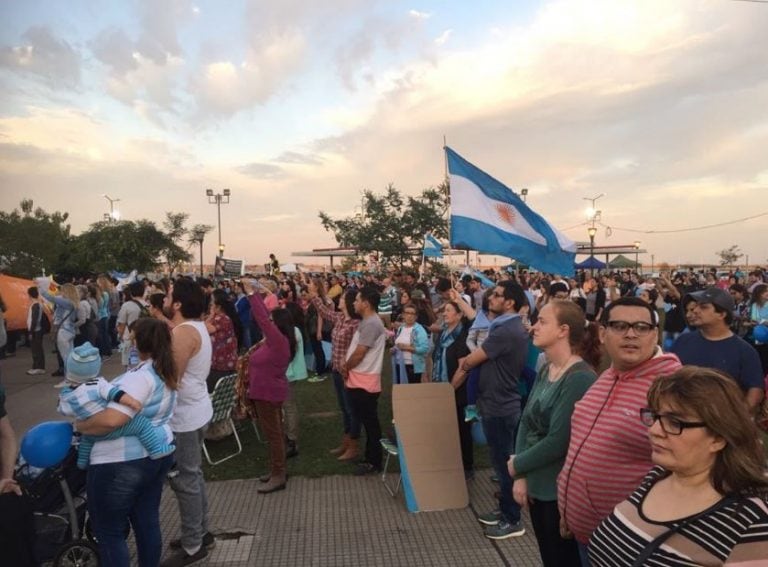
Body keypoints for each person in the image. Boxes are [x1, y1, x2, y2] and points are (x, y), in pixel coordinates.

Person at [589, 367, 768, 566]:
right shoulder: (658, 475)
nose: (654, 430)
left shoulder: (751, 524)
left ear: (718, 438)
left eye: (674, 422)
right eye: (655, 417)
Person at [558, 297, 682, 563]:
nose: (631, 334)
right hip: (587, 535)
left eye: (641, 327)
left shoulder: (672, 388)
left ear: (655, 334)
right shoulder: (606, 377)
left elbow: (692, 468)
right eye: (620, 326)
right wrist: (569, 508)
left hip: (632, 544)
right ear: (603, 334)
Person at [76, 318, 178, 567]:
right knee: (146, 521)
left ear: (139, 343)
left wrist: (80, 427)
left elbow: (112, 420)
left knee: (108, 531)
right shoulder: (163, 369)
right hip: (154, 455)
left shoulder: (140, 378)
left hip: (121, 462)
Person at [507, 301, 599, 567]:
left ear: (563, 330)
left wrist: (517, 464)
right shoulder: (547, 368)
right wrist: (521, 475)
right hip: (537, 485)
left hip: (559, 493)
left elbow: (558, 441)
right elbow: (526, 420)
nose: (534, 326)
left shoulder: (580, 379)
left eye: (543, 321)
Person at [452, 281, 530, 540]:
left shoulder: (505, 331)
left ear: (509, 302)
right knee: (500, 463)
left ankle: (512, 519)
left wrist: (465, 364)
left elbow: (473, 359)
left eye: (497, 295)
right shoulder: (502, 326)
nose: (490, 298)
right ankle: (505, 509)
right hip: (496, 402)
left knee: (504, 464)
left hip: (500, 406)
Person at [161, 278, 214, 567]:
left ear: (178, 303)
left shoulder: (183, 333)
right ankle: (201, 533)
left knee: (185, 479)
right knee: (193, 476)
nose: (165, 300)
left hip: (186, 417)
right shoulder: (195, 328)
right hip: (195, 410)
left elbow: (171, 378)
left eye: (169, 296)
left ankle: (194, 545)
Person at [57, 341, 174, 469]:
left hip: (91, 431)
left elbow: (63, 410)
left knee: (86, 440)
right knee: (141, 424)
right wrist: (132, 402)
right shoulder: (98, 385)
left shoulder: (66, 395)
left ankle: (82, 462)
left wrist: (79, 423)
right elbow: (116, 395)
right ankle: (156, 450)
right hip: (110, 430)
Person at [670, 287, 764, 413]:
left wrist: (736, 418)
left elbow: (755, 390)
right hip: (682, 418)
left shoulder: (745, 351)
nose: (695, 311)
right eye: (696, 306)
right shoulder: (683, 341)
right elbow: (669, 375)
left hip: (721, 425)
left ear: (722, 314)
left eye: (703, 307)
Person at [242, 279, 292, 493]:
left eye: (273, 321)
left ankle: (279, 475)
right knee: (275, 434)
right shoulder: (275, 341)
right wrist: (257, 295)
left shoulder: (278, 341)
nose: (269, 321)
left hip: (268, 393)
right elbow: (264, 315)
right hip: (265, 392)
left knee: (273, 435)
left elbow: (262, 319)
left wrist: (251, 294)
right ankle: (276, 470)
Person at [311, 287, 362, 461]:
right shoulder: (340, 318)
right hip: (336, 370)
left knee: (351, 408)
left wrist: (346, 366)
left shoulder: (356, 324)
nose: (340, 299)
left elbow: (358, 350)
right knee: (343, 407)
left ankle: (353, 444)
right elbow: (325, 313)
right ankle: (346, 440)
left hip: (348, 372)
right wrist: (314, 296)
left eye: (344, 298)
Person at [343, 286, 387, 475]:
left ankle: (374, 461)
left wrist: (346, 367)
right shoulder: (368, 321)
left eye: (357, 299)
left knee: (370, 423)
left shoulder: (371, 324)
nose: (354, 302)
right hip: (360, 379)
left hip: (364, 382)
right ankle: (370, 457)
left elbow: (360, 353)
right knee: (367, 420)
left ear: (366, 304)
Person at [432, 296, 476, 479]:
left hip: (457, 391)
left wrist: (450, 389)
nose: (445, 313)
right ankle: (450, 461)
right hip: (442, 388)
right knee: (447, 428)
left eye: (449, 310)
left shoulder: (462, 337)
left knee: (461, 429)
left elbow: (463, 369)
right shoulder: (443, 334)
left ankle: (466, 467)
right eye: (445, 310)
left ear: (459, 315)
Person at [40, 281, 80, 386]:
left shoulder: (66, 302)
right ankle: (73, 378)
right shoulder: (73, 302)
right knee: (70, 356)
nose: (60, 292)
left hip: (63, 331)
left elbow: (51, 298)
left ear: (66, 291)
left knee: (65, 357)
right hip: (70, 330)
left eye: (62, 290)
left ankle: (68, 380)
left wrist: (41, 288)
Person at [204, 289, 240, 394]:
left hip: (221, 364)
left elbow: (206, 328)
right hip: (219, 362)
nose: (210, 304)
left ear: (218, 306)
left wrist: (210, 315)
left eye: (212, 302)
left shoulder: (223, 319)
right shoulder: (218, 318)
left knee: (215, 392)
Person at [392, 303, 430, 384]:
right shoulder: (401, 328)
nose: (409, 316)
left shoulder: (419, 330)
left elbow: (425, 349)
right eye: (407, 313)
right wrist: (394, 349)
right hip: (400, 364)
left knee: (411, 393)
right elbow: (398, 344)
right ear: (403, 315)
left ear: (416, 316)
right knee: (401, 391)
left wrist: (407, 348)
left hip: (412, 366)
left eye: (412, 313)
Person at [26, 286, 46, 375]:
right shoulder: (38, 304)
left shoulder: (35, 305)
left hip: (35, 331)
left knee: (36, 349)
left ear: (29, 295)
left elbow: (34, 319)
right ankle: (36, 366)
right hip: (37, 330)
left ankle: (39, 367)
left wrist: (31, 331)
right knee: (37, 349)